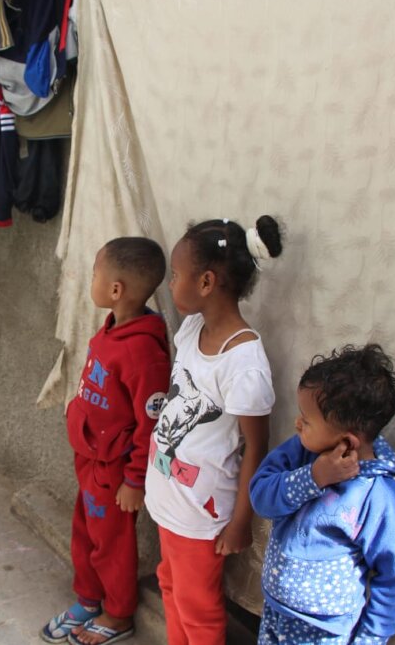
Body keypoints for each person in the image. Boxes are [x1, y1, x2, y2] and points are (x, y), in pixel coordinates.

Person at [144, 216, 283, 645]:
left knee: (199, 610)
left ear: (206, 282)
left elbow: (256, 450)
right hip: (169, 497)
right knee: (170, 585)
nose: (169, 283)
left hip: (199, 513)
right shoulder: (191, 330)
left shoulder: (244, 365)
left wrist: (242, 520)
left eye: (176, 275)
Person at [41, 237, 172, 645]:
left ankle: (118, 614)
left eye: (96, 272)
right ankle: (89, 598)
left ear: (116, 290)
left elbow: (149, 424)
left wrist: (134, 481)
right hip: (91, 461)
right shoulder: (114, 326)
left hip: (115, 472)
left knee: (111, 544)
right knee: (85, 533)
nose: (91, 278)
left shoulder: (143, 354)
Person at [249, 344, 395, 644]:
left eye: (306, 420)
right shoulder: (301, 453)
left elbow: (393, 579)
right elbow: (261, 497)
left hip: (327, 634)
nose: (297, 423)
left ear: (348, 442)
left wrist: (368, 640)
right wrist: (313, 477)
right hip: (275, 614)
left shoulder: (380, 496)